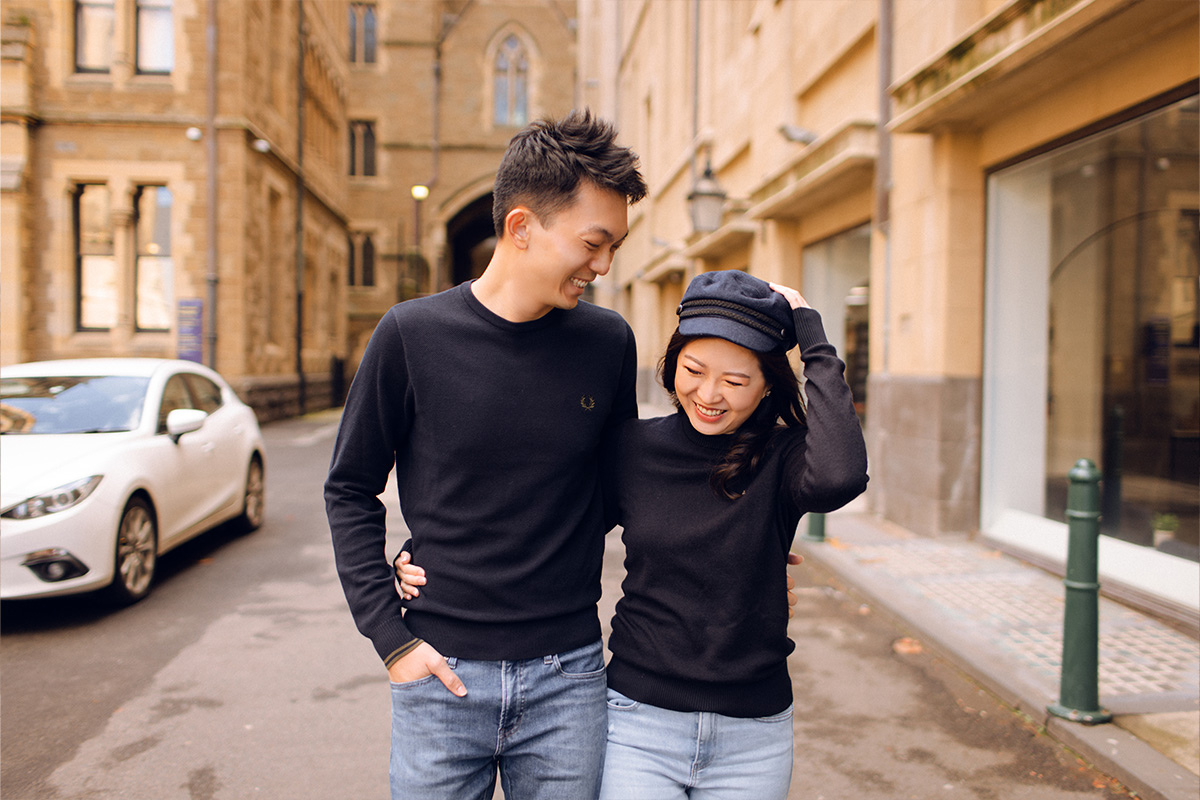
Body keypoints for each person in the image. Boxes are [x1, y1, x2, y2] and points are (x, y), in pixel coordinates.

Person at [401, 269, 869, 798]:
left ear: (766, 387)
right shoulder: (634, 448)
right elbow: (549, 517)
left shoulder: (782, 458)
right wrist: (424, 551)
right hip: (639, 720)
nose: (709, 394)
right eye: (693, 370)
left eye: (736, 382)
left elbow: (841, 476)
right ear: (671, 365)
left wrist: (814, 339)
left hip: (754, 732)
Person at [324, 109, 647, 800]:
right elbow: (349, 486)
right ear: (521, 226)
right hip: (440, 674)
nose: (604, 265)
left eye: (615, 246)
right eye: (594, 243)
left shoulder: (608, 343)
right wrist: (391, 637)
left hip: (569, 678)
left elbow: (627, 488)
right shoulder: (410, 335)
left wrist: (744, 535)